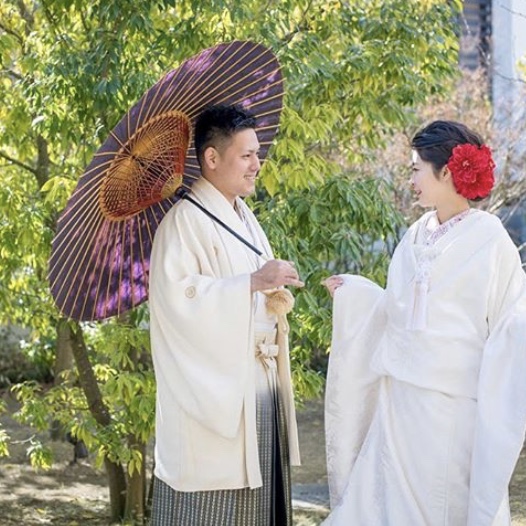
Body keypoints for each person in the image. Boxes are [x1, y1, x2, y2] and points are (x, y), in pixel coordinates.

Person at [322, 120, 526, 525]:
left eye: (416, 169)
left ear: (447, 171)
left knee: (442, 505)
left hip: (450, 409)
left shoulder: (490, 238)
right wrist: (354, 294)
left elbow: (511, 322)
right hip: (398, 404)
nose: (411, 179)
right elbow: (396, 310)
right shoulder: (415, 233)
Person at [148, 104, 303, 525]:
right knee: (214, 504)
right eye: (246, 155)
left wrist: (270, 288)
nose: (257, 164)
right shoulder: (183, 222)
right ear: (212, 158)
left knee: (261, 501)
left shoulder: (243, 216)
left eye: (257, 154)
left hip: (259, 379)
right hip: (215, 395)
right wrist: (251, 282)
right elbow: (177, 302)